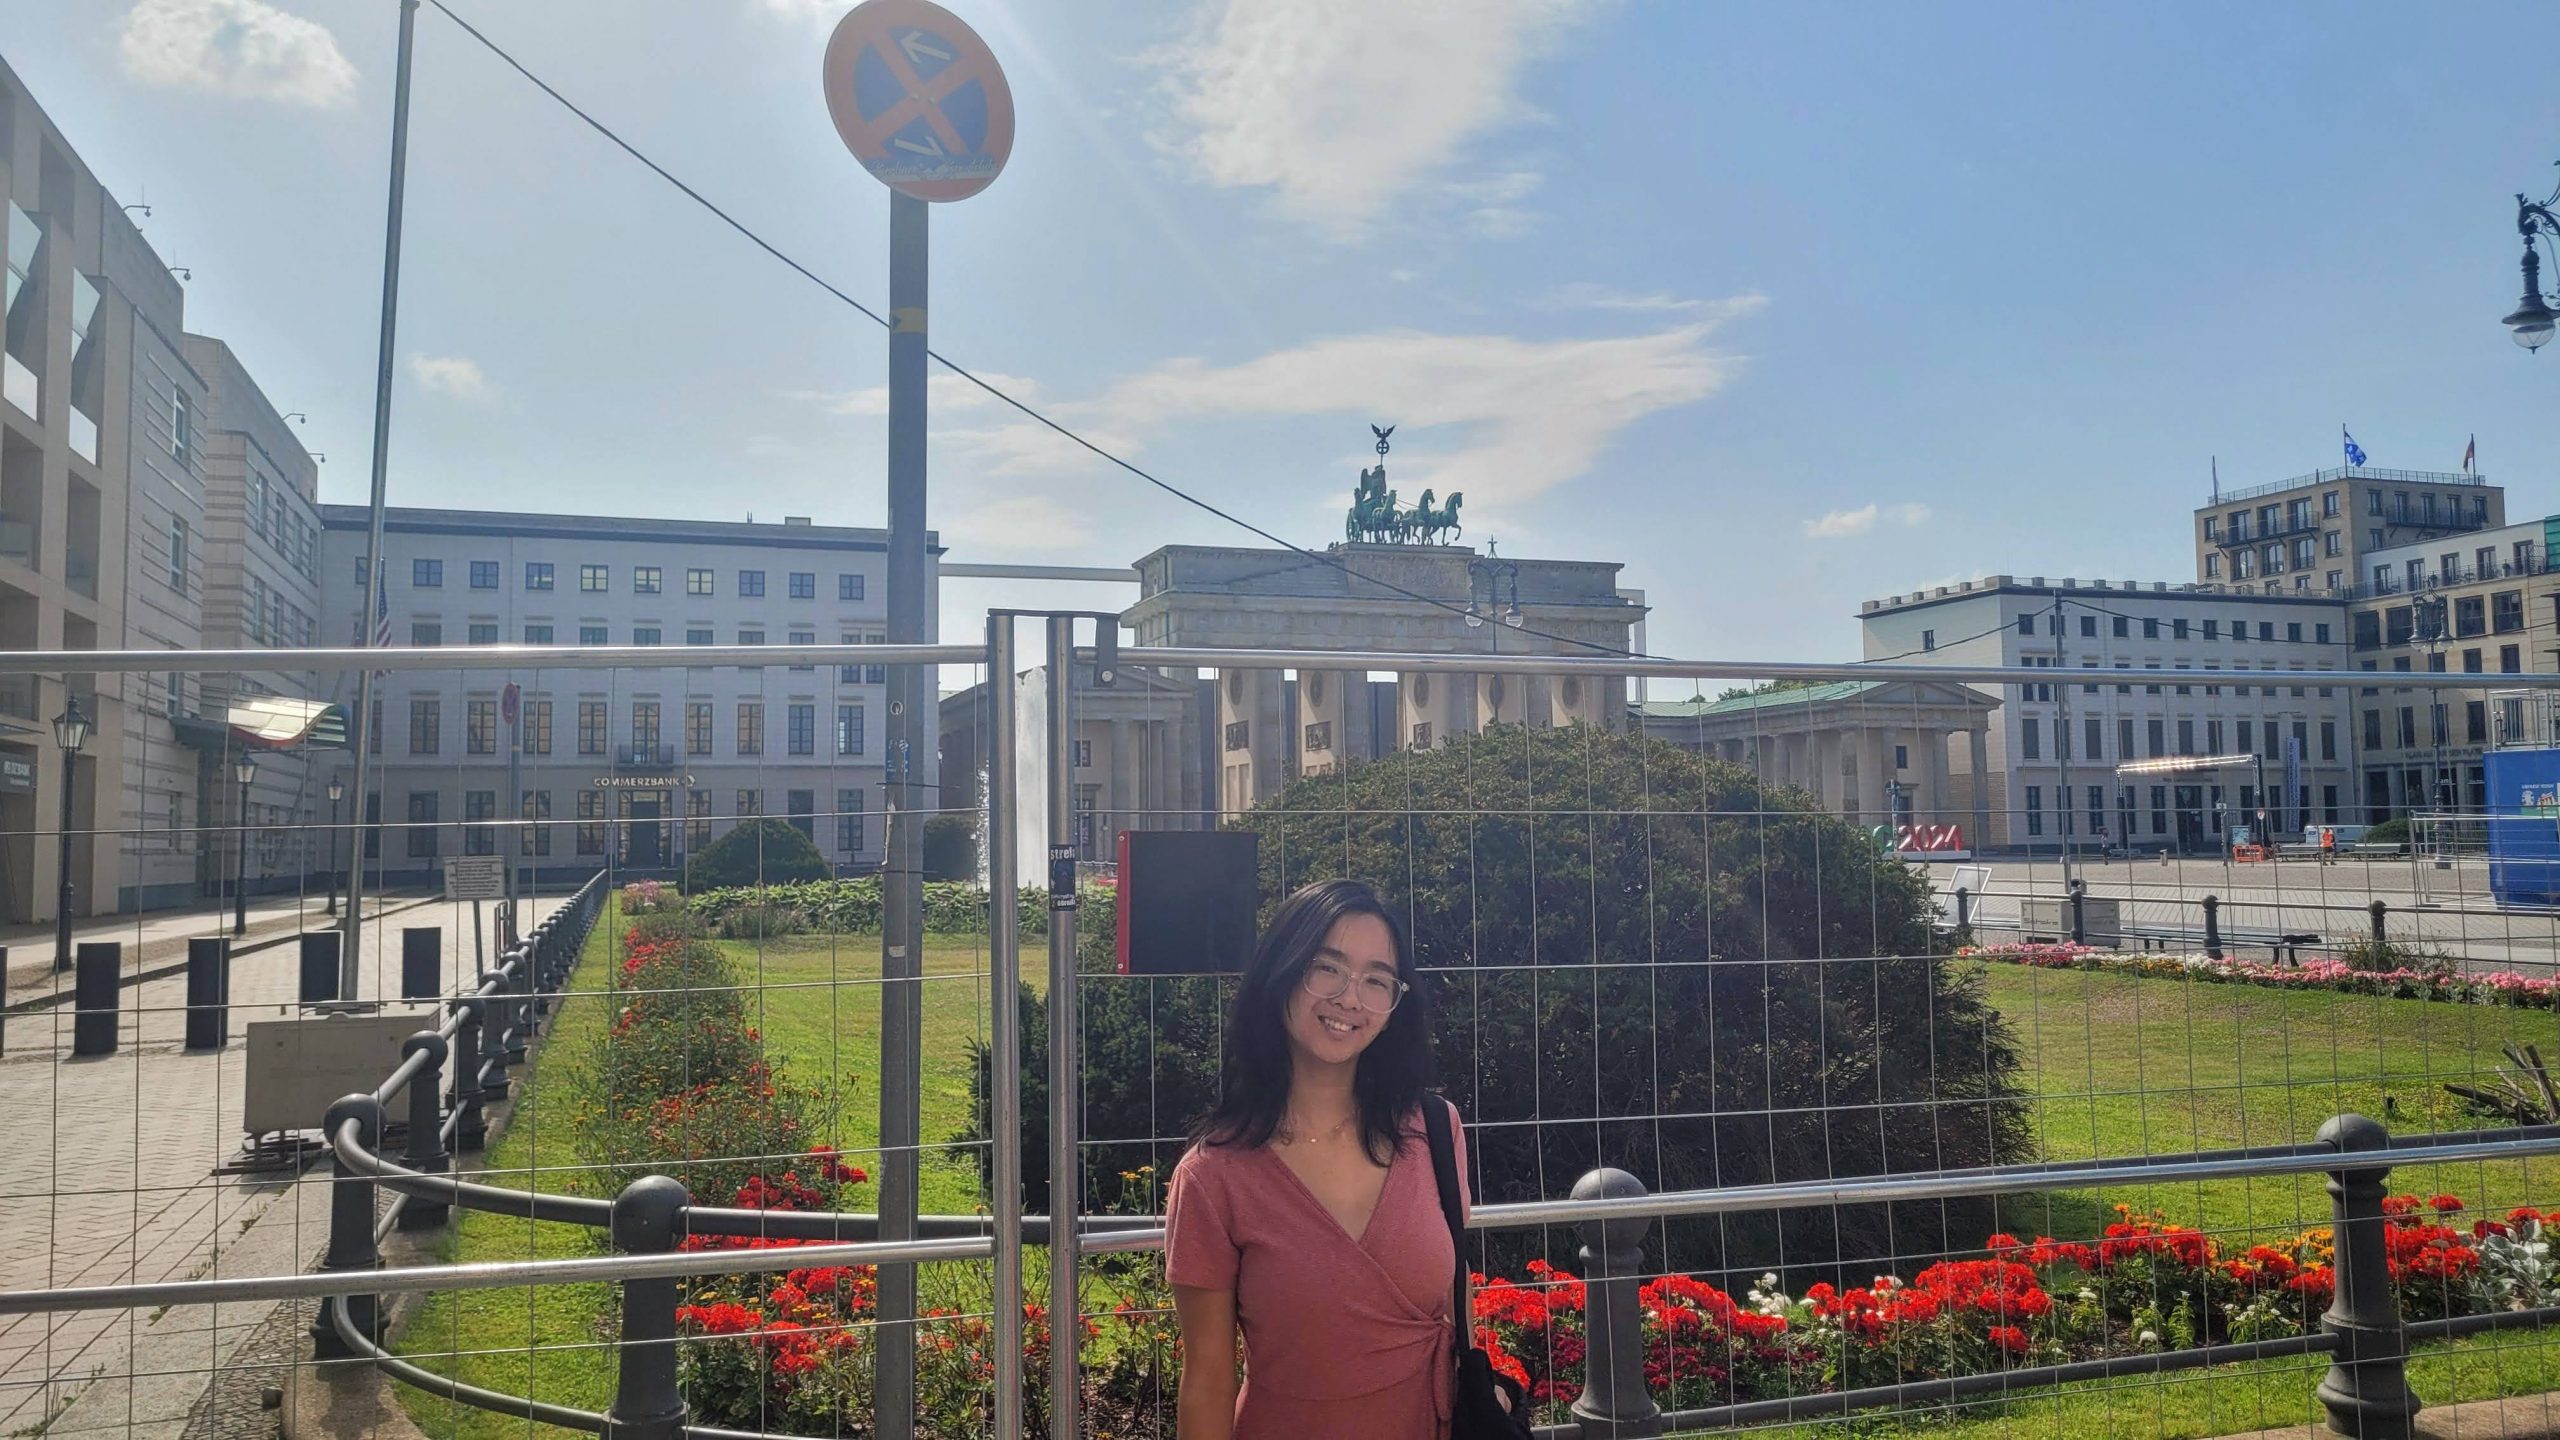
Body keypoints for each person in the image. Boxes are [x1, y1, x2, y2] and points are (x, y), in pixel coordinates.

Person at [1165, 878, 1471, 1439]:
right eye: (1327, 968)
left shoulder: (1435, 1129)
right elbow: (1207, 1378)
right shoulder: (1214, 1177)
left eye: (1377, 980)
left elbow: (1453, 1313)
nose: (1351, 998)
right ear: (1281, 972)